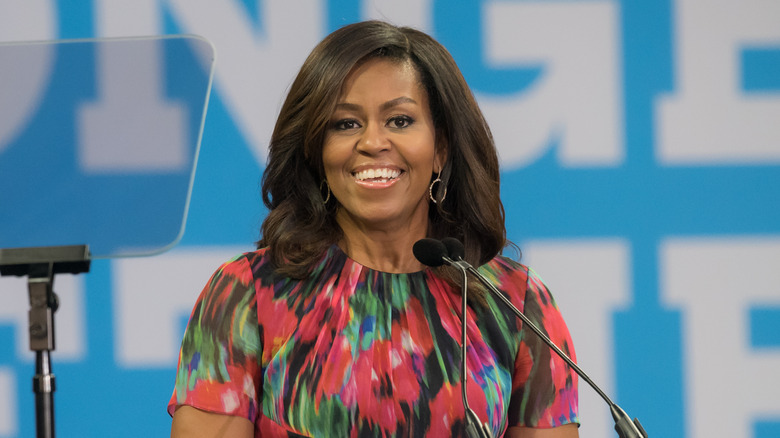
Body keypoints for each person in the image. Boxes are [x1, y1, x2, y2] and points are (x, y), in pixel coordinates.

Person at [168, 20, 579, 438]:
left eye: (400, 120)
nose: (372, 142)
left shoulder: (515, 304)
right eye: (345, 124)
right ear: (316, 150)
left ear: (441, 149)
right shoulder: (249, 294)